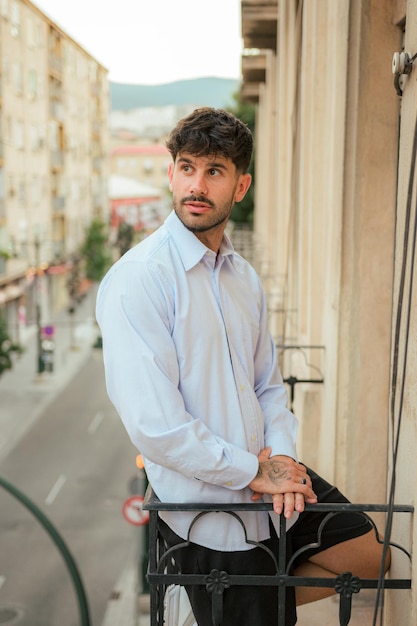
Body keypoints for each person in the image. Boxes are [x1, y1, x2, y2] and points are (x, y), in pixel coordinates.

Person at [96, 107, 389, 625]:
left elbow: (269, 387)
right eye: (187, 168)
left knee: (370, 554)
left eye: (214, 172)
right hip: (208, 510)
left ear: (241, 185)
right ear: (170, 174)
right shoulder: (138, 279)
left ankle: (247, 606)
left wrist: (286, 465)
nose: (197, 185)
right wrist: (253, 471)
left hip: (271, 487)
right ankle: (233, 607)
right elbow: (155, 427)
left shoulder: (243, 278)